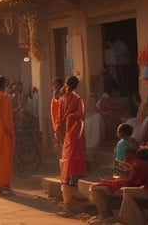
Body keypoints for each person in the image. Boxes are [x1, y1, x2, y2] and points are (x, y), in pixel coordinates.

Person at [90, 148, 148, 223]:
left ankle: (128, 218)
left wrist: (109, 183)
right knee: (124, 190)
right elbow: (135, 181)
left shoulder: (139, 164)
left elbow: (130, 181)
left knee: (126, 191)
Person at [58, 75, 87, 212]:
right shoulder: (77, 98)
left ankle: (69, 179)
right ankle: (73, 179)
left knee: (68, 154)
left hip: (68, 128)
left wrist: (60, 127)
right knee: (74, 154)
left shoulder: (64, 98)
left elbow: (59, 116)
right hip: (75, 129)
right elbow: (81, 114)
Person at [50, 77, 65, 153]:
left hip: (62, 123)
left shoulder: (63, 96)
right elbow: (53, 112)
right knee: (58, 143)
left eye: (57, 84)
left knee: (63, 143)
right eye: (54, 84)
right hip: (55, 123)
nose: (55, 86)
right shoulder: (53, 96)